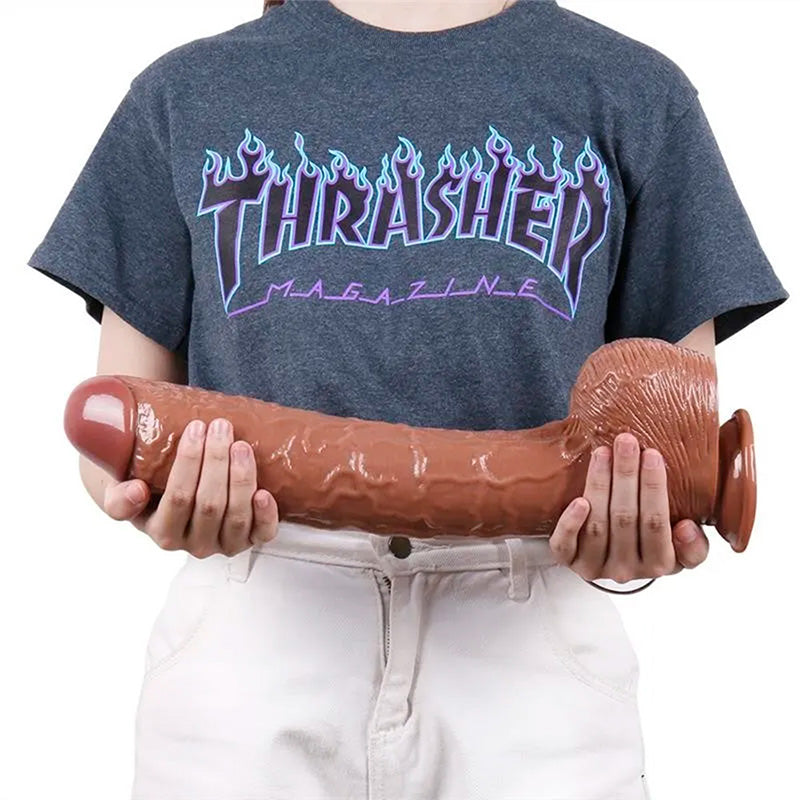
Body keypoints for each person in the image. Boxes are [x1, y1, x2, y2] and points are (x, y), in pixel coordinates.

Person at [27, 1, 788, 798]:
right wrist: (154, 501)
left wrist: (632, 536)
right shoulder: (184, 92)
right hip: (253, 624)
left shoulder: (637, 91)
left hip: (533, 641)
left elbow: (675, 434)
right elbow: (114, 432)